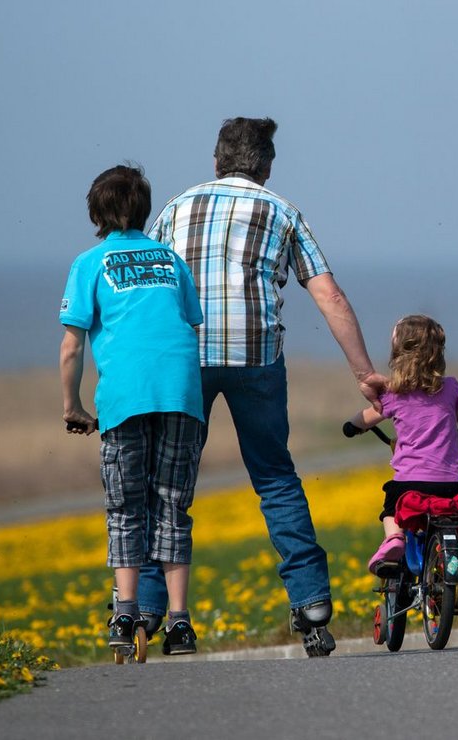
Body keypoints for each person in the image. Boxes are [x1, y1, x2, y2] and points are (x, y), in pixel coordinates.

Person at [142, 117, 387, 657]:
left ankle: (151, 609)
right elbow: (331, 297)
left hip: (187, 357)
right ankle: (312, 605)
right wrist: (364, 374)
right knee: (275, 478)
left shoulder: (175, 209)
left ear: (215, 160)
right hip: (257, 357)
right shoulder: (282, 211)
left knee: (169, 485)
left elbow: (149, 290)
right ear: (267, 166)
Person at [59, 164, 208, 657]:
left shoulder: (90, 263)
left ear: (96, 213)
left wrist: (73, 405)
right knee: (171, 506)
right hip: (181, 395)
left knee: (126, 507)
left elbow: (71, 347)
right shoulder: (170, 259)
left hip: (124, 399)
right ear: (144, 209)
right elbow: (188, 322)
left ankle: (125, 615)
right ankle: (180, 623)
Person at [344, 314, 458, 593]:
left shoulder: (394, 393)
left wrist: (352, 426)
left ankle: (394, 538)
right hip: (450, 483)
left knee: (390, 508)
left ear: (398, 352)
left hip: (410, 483)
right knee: (453, 525)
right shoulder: (451, 388)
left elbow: (366, 418)